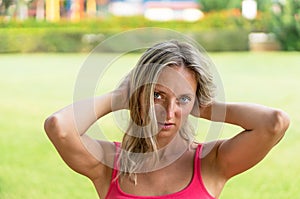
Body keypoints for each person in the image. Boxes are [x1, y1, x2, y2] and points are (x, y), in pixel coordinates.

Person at [44, 40, 290, 199]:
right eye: (157, 95)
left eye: (182, 99)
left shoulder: (211, 162)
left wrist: (200, 106)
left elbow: (274, 122)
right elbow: (59, 126)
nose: (169, 112)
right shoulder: (109, 164)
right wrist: (120, 97)